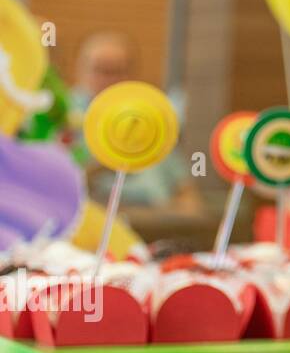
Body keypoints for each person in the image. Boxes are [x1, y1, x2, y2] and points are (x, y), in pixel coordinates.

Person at [69, 31, 202, 218]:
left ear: (132, 75)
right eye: (99, 70)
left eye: (116, 71)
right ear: (80, 71)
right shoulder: (62, 119)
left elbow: (186, 193)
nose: (107, 80)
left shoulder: (152, 120)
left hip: (150, 224)